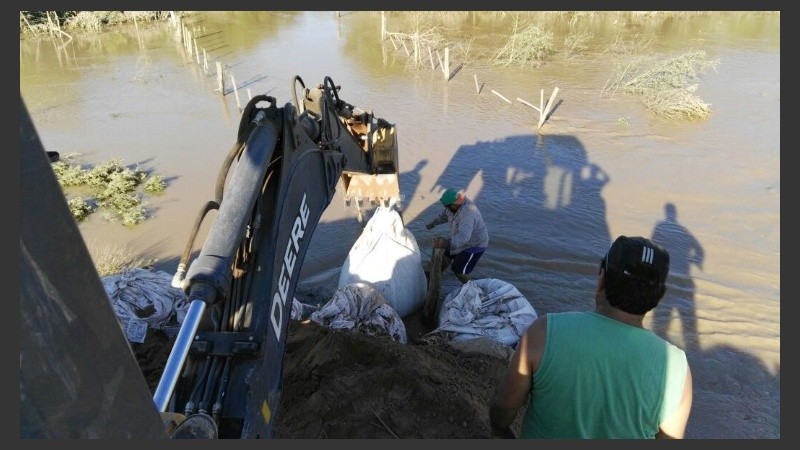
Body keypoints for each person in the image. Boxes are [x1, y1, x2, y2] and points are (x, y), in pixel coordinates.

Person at [489, 236, 693, 439]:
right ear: (659, 298)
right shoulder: (677, 368)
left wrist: (501, 432)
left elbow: (505, 404)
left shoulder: (544, 331)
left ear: (601, 279)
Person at [424, 188, 489, 283]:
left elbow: (463, 238)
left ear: (454, 204)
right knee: (446, 255)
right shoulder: (452, 207)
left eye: (447, 206)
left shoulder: (468, 214)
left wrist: (445, 243)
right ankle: (433, 275)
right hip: (461, 240)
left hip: (474, 245)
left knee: (458, 270)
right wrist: (432, 224)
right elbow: (444, 216)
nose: (446, 209)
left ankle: (472, 288)